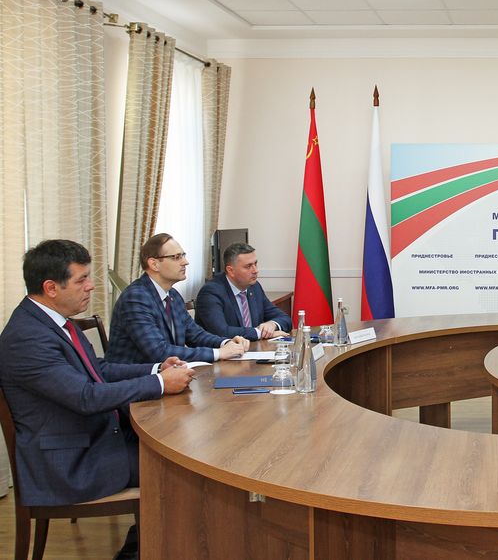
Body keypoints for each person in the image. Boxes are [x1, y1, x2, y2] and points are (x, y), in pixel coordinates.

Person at [0, 240, 195, 560]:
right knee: (180, 470)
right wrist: (160, 384)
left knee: (178, 449)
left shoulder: (54, 321)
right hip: (72, 462)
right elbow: (85, 397)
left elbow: (98, 370)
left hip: (92, 437)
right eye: (82, 280)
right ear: (51, 288)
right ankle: (142, 550)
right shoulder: (28, 338)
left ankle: (143, 546)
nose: (91, 285)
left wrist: (156, 368)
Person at [106, 233, 249, 364]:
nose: (185, 262)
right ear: (154, 264)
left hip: (170, 375)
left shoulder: (172, 295)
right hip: (136, 379)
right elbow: (159, 352)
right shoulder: (136, 298)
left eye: (183, 255)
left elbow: (195, 334)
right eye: (176, 257)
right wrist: (218, 353)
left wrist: (226, 343)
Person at [195, 242, 291, 340]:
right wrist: (260, 333)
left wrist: (272, 324)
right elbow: (221, 331)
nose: (255, 270)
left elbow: (285, 318)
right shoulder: (211, 292)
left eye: (255, 264)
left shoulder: (254, 287)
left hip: (253, 347)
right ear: (230, 270)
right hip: (223, 349)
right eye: (248, 266)